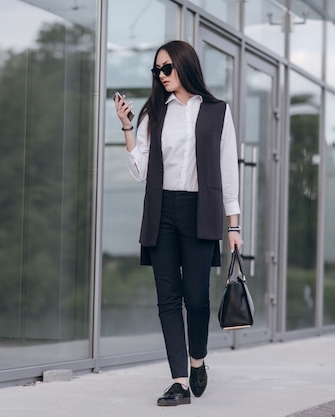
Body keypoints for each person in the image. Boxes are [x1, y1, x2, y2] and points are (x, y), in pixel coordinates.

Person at [113, 40, 243, 406]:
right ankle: (179, 381)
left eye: (166, 68)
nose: (161, 75)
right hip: (162, 211)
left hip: (201, 210)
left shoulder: (217, 112)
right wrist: (126, 127)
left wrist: (233, 227)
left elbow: (227, 172)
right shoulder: (154, 113)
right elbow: (139, 171)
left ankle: (197, 360)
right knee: (168, 299)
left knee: (197, 298)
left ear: (185, 67)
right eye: (157, 70)